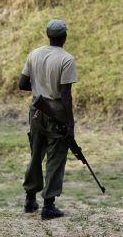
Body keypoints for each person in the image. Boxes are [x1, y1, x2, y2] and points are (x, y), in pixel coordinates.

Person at [19, 19, 78, 220]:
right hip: (56, 109)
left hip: (36, 108)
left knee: (36, 151)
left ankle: (30, 199)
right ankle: (49, 205)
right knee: (56, 155)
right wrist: (70, 124)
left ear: (48, 35)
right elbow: (65, 95)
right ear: (64, 37)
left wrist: (38, 89)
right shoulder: (67, 59)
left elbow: (22, 83)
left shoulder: (34, 53)